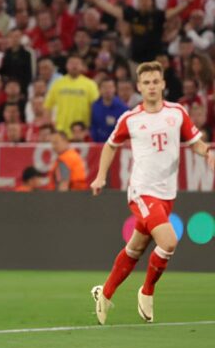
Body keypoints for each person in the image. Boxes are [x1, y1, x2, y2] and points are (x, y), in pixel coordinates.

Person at [90, 62, 214, 324]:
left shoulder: (177, 113)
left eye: (156, 81)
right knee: (168, 241)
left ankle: (105, 292)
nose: (152, 87)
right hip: (141, 191)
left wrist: (209, 153)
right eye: (146, 83)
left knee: (135, 248)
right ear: (139, 87)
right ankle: (146, 292)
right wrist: (101, 175)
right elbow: (111, 145)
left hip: (167, 194)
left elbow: (196, 144)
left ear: (163, 84)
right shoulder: (131, 119)